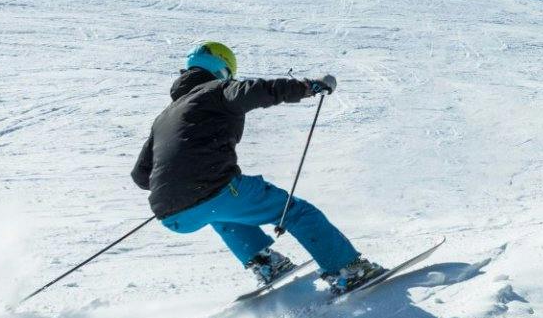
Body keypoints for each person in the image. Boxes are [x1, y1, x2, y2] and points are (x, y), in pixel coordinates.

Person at [132, 41, 383, 294]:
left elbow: (142, 176)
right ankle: (347, 270)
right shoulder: (216, 90)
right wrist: (307, 87)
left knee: (221, 212)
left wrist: (178, 187)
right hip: (213, 189)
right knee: (295, 212)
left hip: (172, 215)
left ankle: (265, 263)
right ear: (223, 69)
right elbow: (255, 91)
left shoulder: (163, 117)